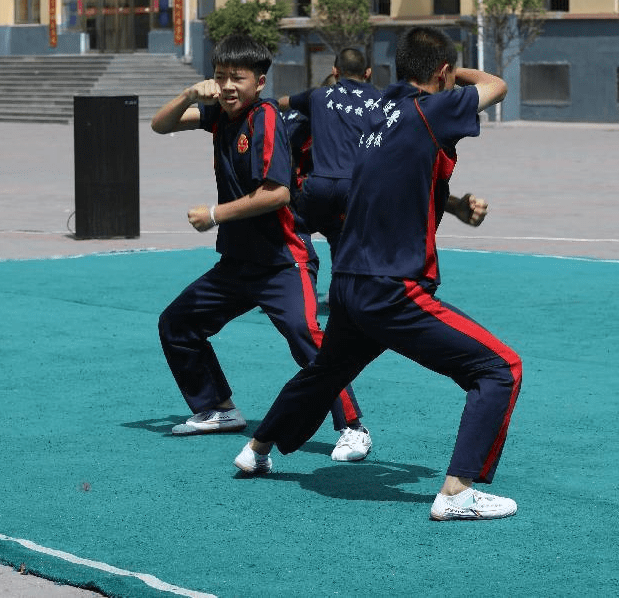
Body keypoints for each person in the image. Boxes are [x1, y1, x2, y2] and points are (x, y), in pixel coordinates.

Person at [231, 26, 522, 521]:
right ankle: (457, 493)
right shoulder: (431, 108)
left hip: (350, 282)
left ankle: (256, 449)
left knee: (326, 371)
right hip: (392, 288)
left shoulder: (380, 113)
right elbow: (497, 84)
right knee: (498, 368)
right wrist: (456, 73)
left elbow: (400, 179)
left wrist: (452, 205)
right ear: (441, 74)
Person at [150, 34, 372, 462]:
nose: (228, 86)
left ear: (260, 82)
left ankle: (352, 427)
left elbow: (277, 194)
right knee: (177, 325)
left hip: (283, 262)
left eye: (238, 78)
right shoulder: (219, 115)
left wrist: (214, 214)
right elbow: (160, 124)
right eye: (220, 77)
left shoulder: (265, 117)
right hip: (238, 262)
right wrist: (187, 93)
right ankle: (216, 408)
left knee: (308, 339)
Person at [278, 48, 382, 260]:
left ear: (335, 71)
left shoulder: (316, 97)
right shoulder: (380, 100)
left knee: (295, 228)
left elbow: (283, 103)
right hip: (355, 188)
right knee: (344, 237)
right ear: (368, 72)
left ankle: (297, 272)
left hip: (318, 187)